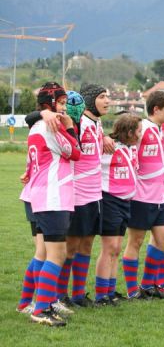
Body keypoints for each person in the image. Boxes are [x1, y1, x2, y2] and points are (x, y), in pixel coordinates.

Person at [26, 82, 81, 326]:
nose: (64, 107)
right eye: (60, 103)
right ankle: (42, 309)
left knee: (43, 253)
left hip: (44, 195)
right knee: (56, 255)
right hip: (53, 195)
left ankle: (30, 302)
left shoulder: (37, 125)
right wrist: (70, 129)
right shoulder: (51, 126)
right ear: (49, 104)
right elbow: (75, 152)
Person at [121, 91, 164, 299]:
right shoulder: (141, 129)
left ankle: (147, 285)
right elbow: (122, 144)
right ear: (156, 109)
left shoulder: (160, 130)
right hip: (141, 197)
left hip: (159, 197)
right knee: (135, 242)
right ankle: (132, 290)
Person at [63, 84, 110, 308]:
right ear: (90, 100)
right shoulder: (77, 121)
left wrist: (107, 138)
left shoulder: (96, 123)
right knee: (70, 246)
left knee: (87, 245)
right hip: (77, 194)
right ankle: (59, 295)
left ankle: (78, 295)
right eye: (102, 97)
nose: (107, 101)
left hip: (94, 194)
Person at [96, 114, 142, 305]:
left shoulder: (131, 148)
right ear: (129, 131)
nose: (140, 135)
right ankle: (101, 295)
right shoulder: (108, 147)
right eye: (138, 131)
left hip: (126, 202)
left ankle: (111, 290)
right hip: (110, 200)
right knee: (110, 247)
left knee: (117, 248)